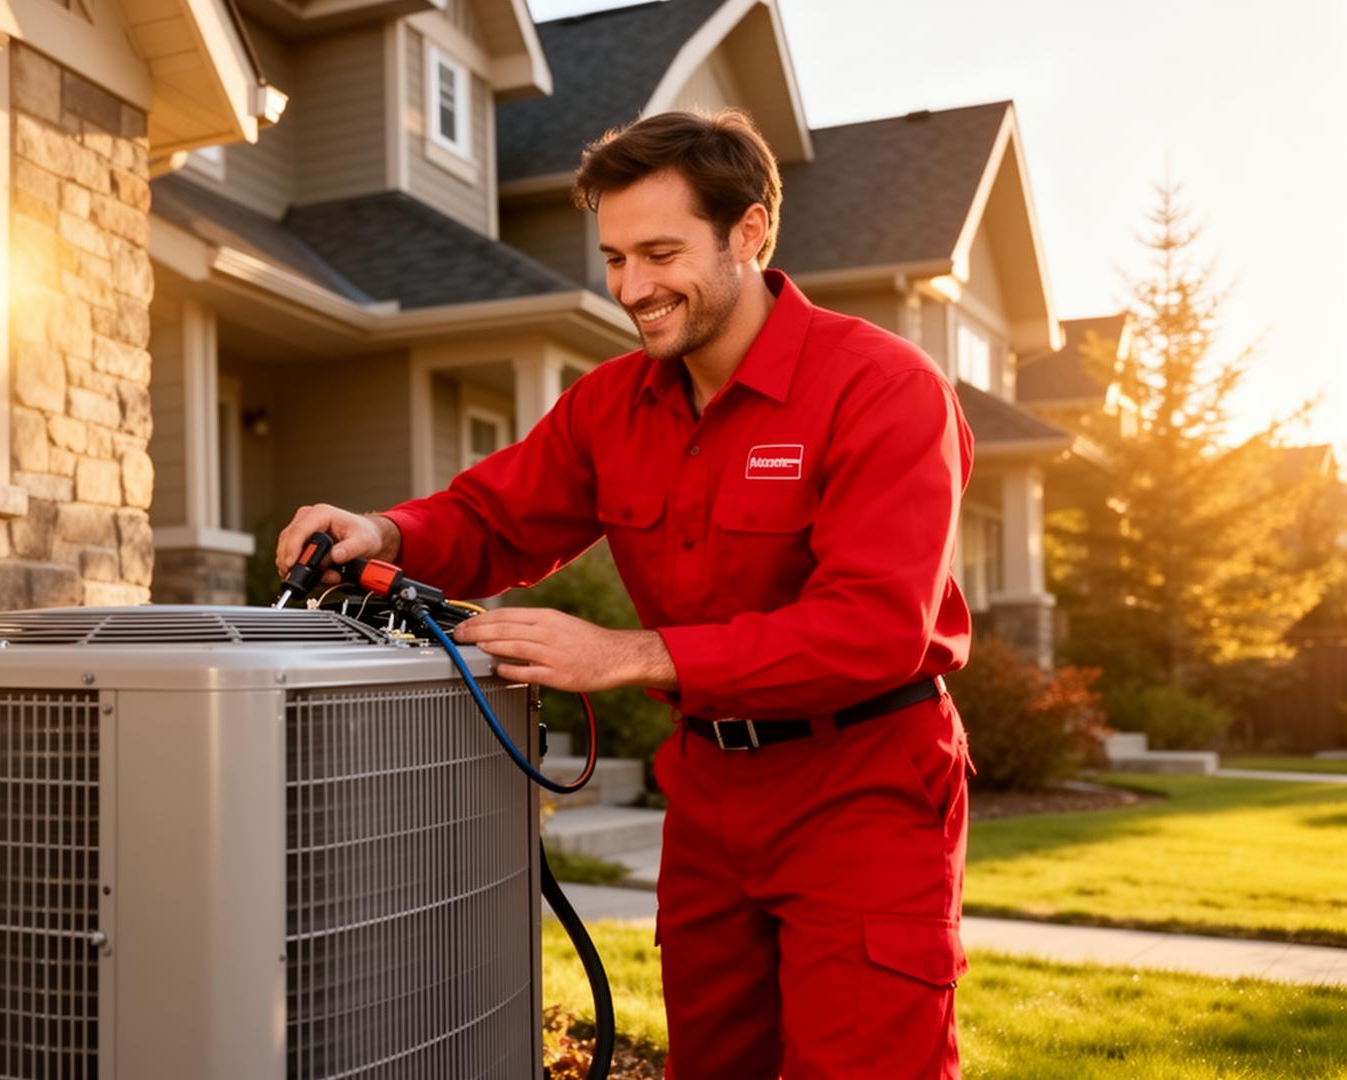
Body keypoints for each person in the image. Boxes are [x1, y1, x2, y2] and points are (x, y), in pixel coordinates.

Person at [275, 107, 976, 1078]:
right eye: (613, 258)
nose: (631, 289)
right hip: (710, 793)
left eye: (659, 252)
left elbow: (874, 628)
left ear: (751, 231)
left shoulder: (881, 388)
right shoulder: (613, 405)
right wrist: (385, 532)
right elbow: (492, 518)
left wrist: (633, 655)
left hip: (862, 784)